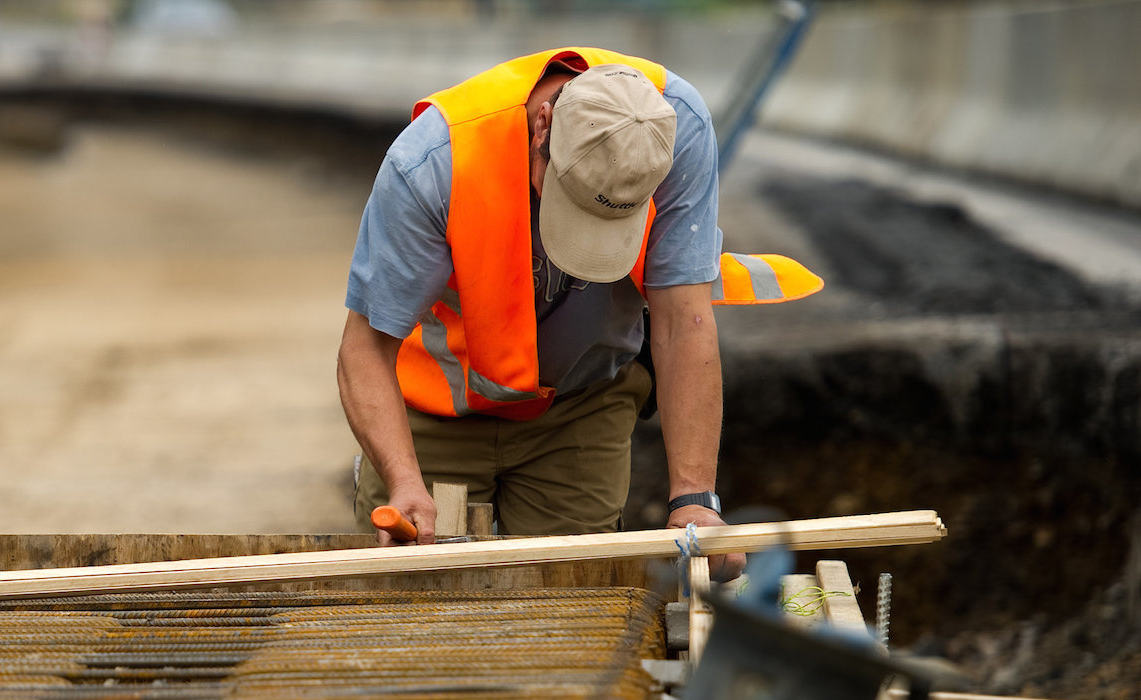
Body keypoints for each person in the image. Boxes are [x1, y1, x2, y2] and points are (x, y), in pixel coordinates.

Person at [338, 47, 816, 572]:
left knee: (570, 595)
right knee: (414, 602)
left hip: (583, 400)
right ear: (543, 127)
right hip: (438, 407)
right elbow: (364, 349)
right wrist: (405, 481)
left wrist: (694, 500)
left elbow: (684, 320)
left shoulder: (674, 129)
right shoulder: (433, 162)